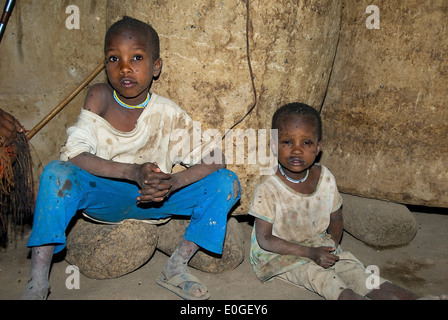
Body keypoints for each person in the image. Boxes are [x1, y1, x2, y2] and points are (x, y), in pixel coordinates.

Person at [20, 16, 240, 300]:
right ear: (105, 65)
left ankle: (175, 267)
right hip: (107, 198)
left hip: (158, 200)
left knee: (227, 183)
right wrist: (132, 172)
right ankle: (38, 283)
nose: (125, 67)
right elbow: (73, 154)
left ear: (156, 67)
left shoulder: (167, 113)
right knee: (56, 173)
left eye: (137, 57)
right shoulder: (100, 97)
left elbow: (216, 158)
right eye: (114, 58)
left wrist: (173, 182)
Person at [248, 102, 444, 300]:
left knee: (362, 276)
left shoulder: (325, 179)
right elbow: (265, 239)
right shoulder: (269, 188)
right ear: (274, 145)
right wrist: (310, 253)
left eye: (306, 143)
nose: (297, 150)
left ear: (318, 147)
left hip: (318, 245)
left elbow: (336, 218)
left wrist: (331, 244)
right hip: (281, 254)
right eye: (288, 142)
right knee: (328, 282)